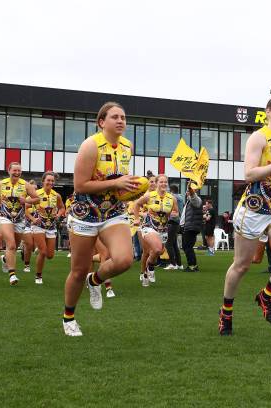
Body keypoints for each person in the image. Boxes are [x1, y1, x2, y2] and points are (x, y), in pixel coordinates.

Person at [218, 87, 271, 335]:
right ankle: (226, 312)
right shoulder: (258, 137)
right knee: (242, 265)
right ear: (268, 112)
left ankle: (266, 296)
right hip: (253, 208)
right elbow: (249, 174)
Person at [63, 101, 140, 336]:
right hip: (85, 213)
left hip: (113, 212)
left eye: (123, 117)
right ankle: (68, 317)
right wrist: (116, 183)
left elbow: (120, 182)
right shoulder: (90, 146)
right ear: (101, 122)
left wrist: (134, 188)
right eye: (115, 117)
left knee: (125, 260)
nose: (120, 121)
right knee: (78, 270)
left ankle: (95, 281)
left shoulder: (127, 146)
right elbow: (80, 185)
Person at [0, 163, 40, 286]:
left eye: (19, 170)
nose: (17, 172)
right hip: (4, 217)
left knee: (14, 247)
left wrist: (26, 200)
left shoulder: (26, 185)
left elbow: (37, 199)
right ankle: (12, 274)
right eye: (14, 170)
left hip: (19, 219)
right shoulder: (0, 183)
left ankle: (5, 259)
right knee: (10, 245)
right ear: (9, 171)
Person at [133, 174, 178, 286]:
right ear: (157, 184)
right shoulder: (149, 196)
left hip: (163, 228)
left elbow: (176, 212)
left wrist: (174, 214)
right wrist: (137, 218)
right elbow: (136, 204)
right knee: (154, 250)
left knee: (159, 251)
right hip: (148, 225)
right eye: (161, 182)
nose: (163, 184)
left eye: (165, 182)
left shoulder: (172, 198)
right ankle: (149, 269)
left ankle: (145, 273)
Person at [28, 172, 65, 284]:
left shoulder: (56, 195)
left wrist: (58, 215)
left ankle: (39, 248)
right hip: (38, 225)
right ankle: (38, 276)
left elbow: (62, 208)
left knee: (50, 255)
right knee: (43, 253)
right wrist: (33, 219)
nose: (50, 182)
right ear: (43, 181)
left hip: (51, 226)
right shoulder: (36, 194)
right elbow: (26, 208)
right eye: (48, 180)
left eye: (52, 181)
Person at [180, 183, 203, 271]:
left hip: (191, 227)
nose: (187, 192)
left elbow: (193, 197)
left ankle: (192, 266)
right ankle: (192, 265)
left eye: (188, 191)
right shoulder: (189, 201)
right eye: (186, 191)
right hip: (188, 227)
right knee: (186, 246)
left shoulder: (196, 200)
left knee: (188, 246)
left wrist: (190, 189)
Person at [164, 184, 184, 270]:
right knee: (174, 244)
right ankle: (179, 264)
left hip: (173, 221)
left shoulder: (173, 197)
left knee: (168, 244)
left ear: (171, 190)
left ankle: (172, 263)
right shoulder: (180, 197)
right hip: (177, 222)